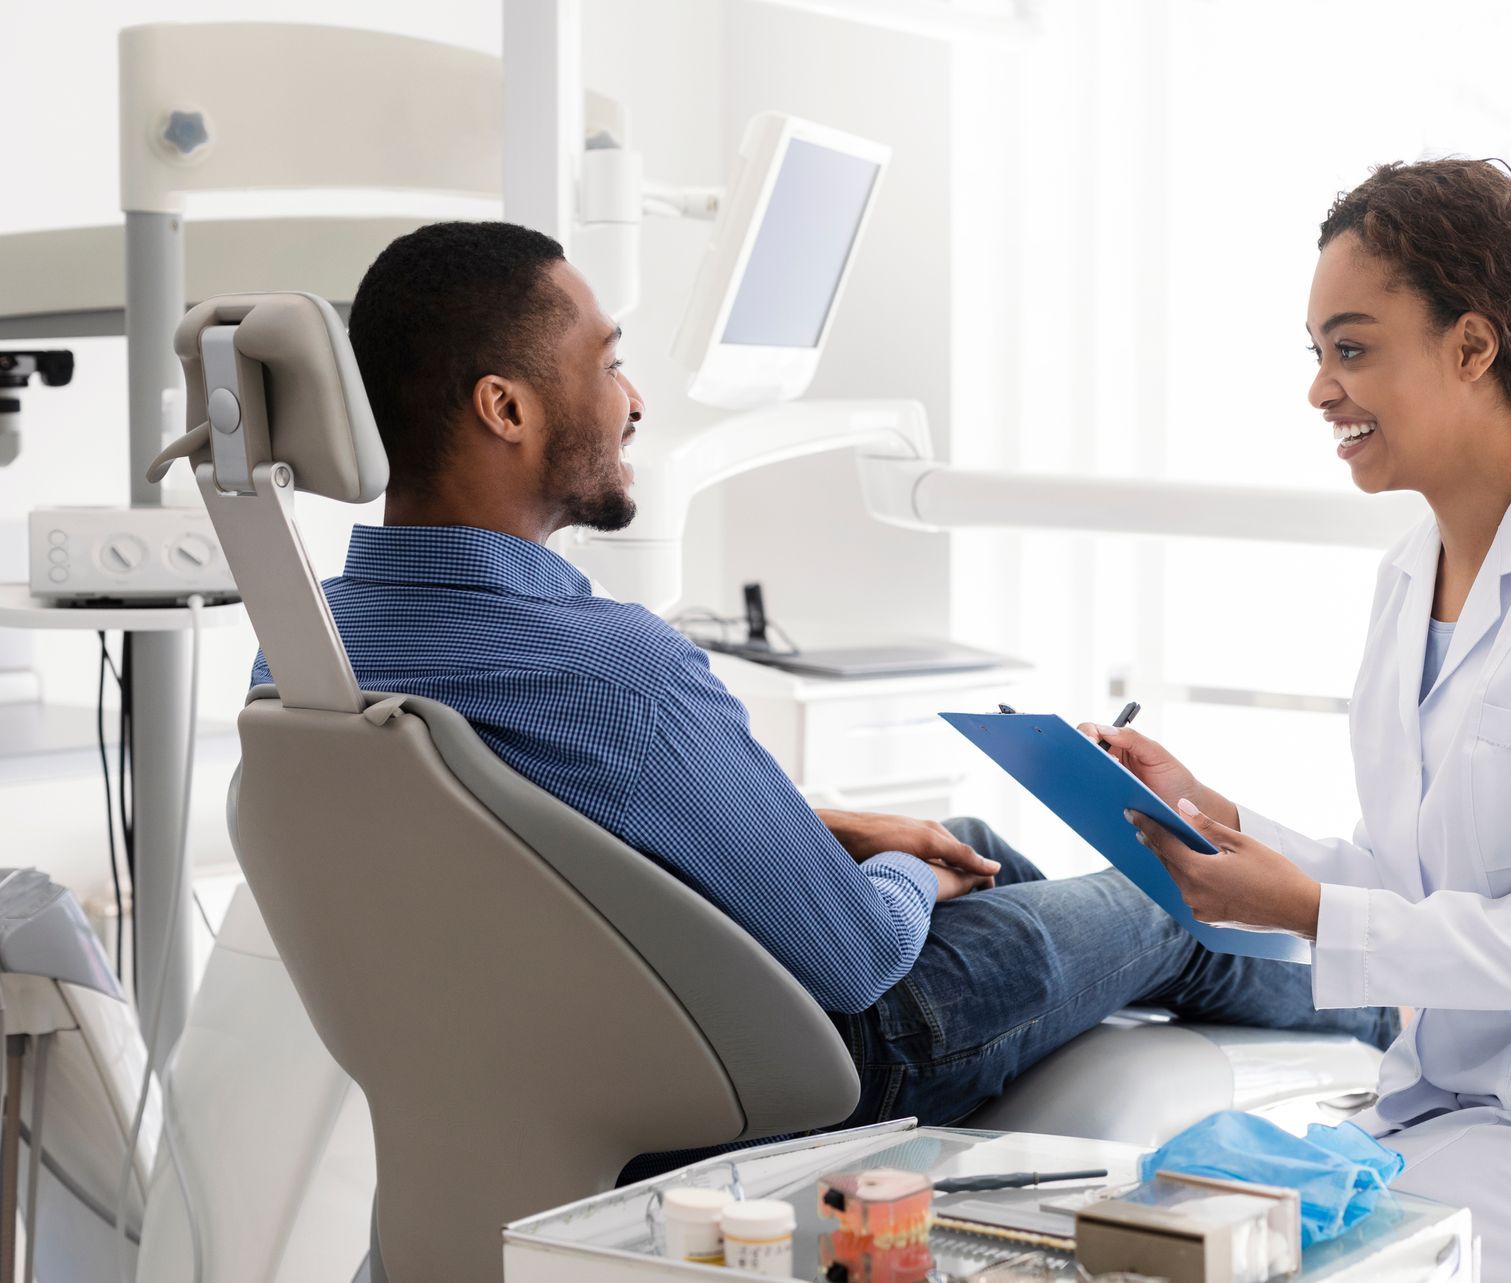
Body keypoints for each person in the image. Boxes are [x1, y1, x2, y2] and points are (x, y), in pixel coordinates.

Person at [249, 220, 1396, 1173]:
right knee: (1151, 898)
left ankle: (1103, 980)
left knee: (978, 839)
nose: (633, 399)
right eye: (605, 363)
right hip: (825, 1054)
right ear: (507, 409)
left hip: (563, 1042)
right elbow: (852, 960)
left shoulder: (308, 663)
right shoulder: (619, 670)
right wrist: (904, 868)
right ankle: (1399, 1013)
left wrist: (853, 830)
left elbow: (538, 834)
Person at [1110, 159, 1511, 1281]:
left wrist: (1316, 909)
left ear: (1472, 347)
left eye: (1354, 347)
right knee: (1158, 1221)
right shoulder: (1411, 572)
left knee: (1255, 1263)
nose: (1322, 389)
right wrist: (1222, 823)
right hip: (1458, 1103)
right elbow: (1409, 875)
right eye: (1318, 353)